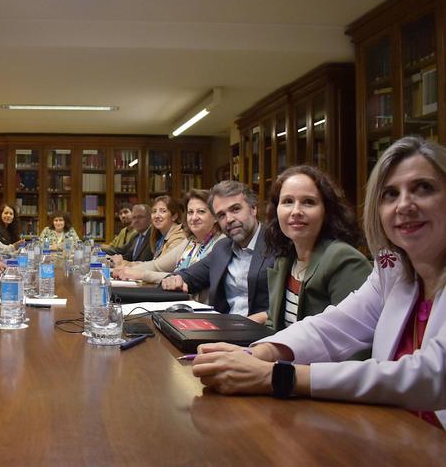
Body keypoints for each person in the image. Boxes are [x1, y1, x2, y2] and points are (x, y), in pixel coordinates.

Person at [192, 137, 445, 428]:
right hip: (393, 430)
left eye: (423, 188)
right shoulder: (393, 269)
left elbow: (433, 374)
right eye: (389, 194)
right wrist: (255, 353)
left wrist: (279, 376)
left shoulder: (342, 257)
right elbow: (333, 326)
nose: (404, 205)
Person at [263, 165, 371, 331]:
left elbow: (354, 339)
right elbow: (273, 325)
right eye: (287, 202)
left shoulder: (344, 260)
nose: (296, 211)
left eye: (308, 202)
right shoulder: (284, 258)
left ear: (326, 211)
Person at [161, 180, 274, 323]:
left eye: (235, 209)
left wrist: (259, 319)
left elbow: (293, 306)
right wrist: (175, 279)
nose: (229, 219)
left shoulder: (277, 243)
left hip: (264, 335)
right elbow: (189, 276)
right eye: (221, 215)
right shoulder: (222, 247)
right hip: (223, 329)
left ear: (253, 209)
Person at [113, 190, 223, 284]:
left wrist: (141, 274)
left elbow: (186, 278)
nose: (194, 217)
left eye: (201, 212)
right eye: (190, 212)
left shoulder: (221, 243)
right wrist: (125, 270)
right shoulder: (190, 242)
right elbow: (157, 266)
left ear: (215, 216)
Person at [113, 196, 185, 267]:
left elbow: (159, 266)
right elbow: (153, 263)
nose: (157, 215)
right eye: (154, 211)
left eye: (163, 211)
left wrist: (124, 264)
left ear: (174, 216)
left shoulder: (178, 237)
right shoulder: (159, 236)